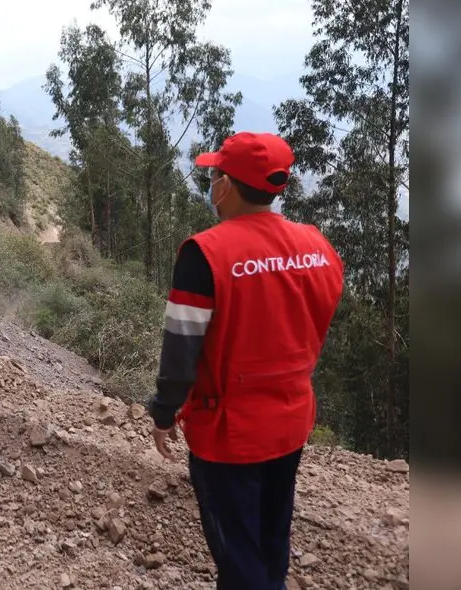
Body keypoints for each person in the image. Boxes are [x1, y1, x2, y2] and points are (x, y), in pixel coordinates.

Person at [147, 132, 344, 589]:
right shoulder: (317, 246)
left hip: (228, 434)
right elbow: (316, 319)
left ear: (228, 186)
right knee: (272, 539)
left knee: (237, 555)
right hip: (291, 424)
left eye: (215, 175)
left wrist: (163, 410)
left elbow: (181, 348)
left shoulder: (205, 254)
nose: (211, 183)